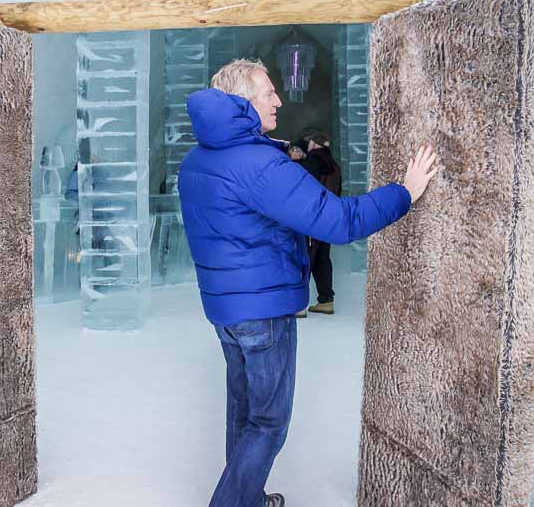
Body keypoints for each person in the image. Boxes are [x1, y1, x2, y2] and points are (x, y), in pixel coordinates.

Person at [177, 58, 438, 507]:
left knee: (243, 416)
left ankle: (248, 499)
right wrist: (404, 192)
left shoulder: (198, 159)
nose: (278, 99)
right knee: (268, 422)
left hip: (226, 307)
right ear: (242, 101)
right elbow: (338, 222)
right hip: (263, 309)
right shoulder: (258, 164)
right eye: (268, 92)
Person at [299, 128, 341, 315]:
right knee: (322, 258)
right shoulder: (334, 165)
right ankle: (326, 301)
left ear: (314, 144)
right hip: (329, 218)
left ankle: (298, 305)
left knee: (304, 257)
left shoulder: (312, 161)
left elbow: (302, 188)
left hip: (311, 218)